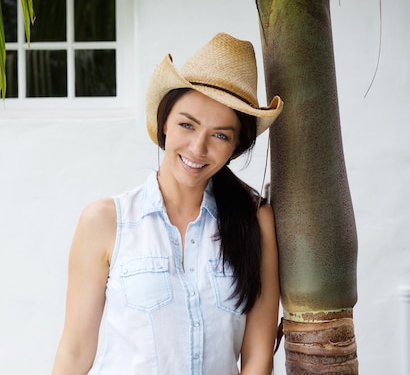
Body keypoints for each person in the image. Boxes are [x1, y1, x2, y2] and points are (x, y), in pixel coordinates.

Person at [52, 32, 284, 375]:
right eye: (186, 125)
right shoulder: (105, 222)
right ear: (164, 123)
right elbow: (75, 351)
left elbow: (257, 358)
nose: (197, 148)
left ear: (236, 147)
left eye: (220, 135)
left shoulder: (254, 219)